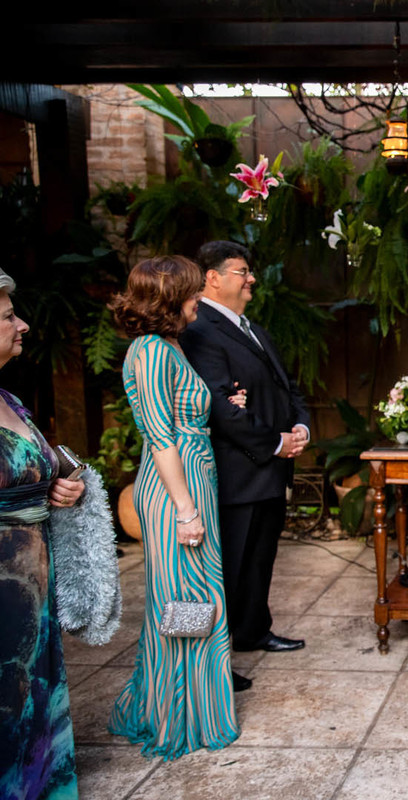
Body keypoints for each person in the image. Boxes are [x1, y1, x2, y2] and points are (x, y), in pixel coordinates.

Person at [108, 256, 241, 760]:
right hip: (174, 489)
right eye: (191, 291)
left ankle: (195, 705)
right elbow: (161, 437)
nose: (197, 299)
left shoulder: (168, 346)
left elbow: (183, 412)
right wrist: (185, 510)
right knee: (183, 603)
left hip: (191, 480)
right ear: (170, 298)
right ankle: (177, 714)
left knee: (197, 597)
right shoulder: (148, 351)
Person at [179, 241, 309, 656]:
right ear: (212, 279)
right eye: (241, 271)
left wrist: (300, 427)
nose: (251, 278)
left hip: (269, 467)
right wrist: (275, 442)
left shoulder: (252, 327)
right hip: (237, 469)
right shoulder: (199, 331)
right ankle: (214, 661)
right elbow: (219, 406)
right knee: (229, 566)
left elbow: (287, 385)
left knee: (259, 559)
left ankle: (253, 631)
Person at [0, 269, 86, 799]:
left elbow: (34, 474)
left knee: (29, 692)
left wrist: (59, 491)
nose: (23, 324)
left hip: (32, 586)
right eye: (9, 316)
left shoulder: (10, 400)